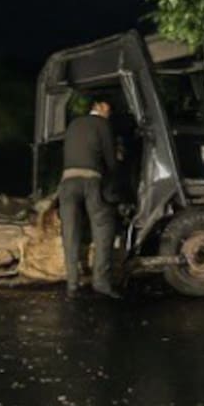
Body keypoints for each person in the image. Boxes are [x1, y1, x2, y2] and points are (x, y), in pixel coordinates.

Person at [58, 98, 121, 299]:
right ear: (99, 106)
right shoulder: (103, 124)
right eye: (108, 107)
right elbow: (111, 159)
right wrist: (115, 182)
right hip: (91, 180)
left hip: (67, 182)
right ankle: (101, 283)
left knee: (70, 231)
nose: (110, 112)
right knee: (103, 226)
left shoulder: (73, 124)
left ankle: (72, 284)